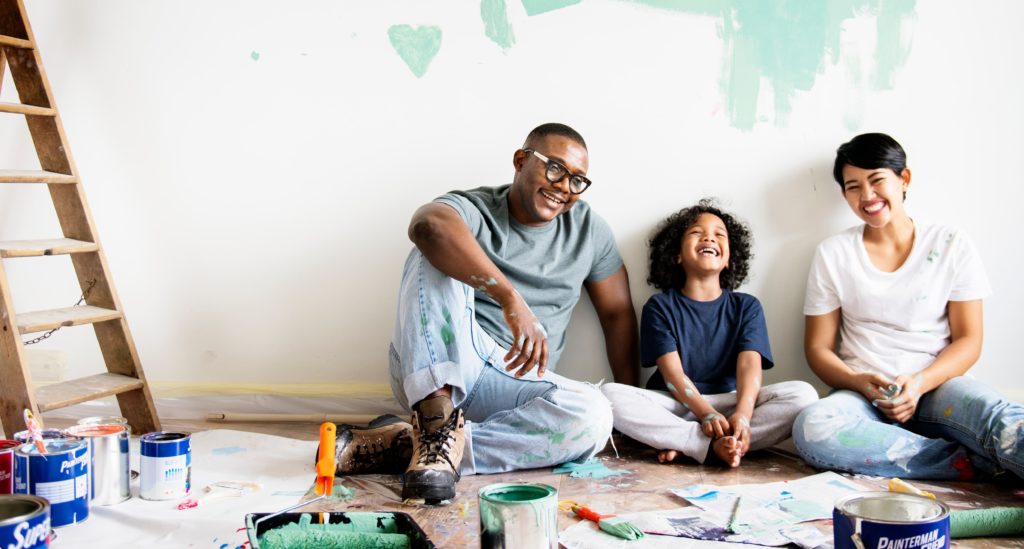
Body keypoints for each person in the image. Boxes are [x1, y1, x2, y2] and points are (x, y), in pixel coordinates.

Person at [332, 123, 640, 503]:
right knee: (430, 253)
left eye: (577, 180)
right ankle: (434, 419)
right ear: (521, 160)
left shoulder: (589, 230)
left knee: (595, 416)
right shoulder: (477, 207)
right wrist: (510, 298)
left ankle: (419, 446)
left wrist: (632, 405)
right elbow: (427, 225)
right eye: (555, 169)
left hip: (517, 385)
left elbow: (618, 314)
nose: (564, 186)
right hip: (447, 361)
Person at [793, 132, 1024, 480]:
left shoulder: (950, 243)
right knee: (813, 427)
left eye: (876, 180)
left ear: (904, 179)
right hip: (864, 398)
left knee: (1003, 420)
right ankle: (973, 464)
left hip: (938, 387)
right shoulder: (833, 253)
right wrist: (857, 381)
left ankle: (980, 451)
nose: (867, 196)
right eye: (853, 186)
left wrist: (918, 383)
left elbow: (969, 340)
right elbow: (818, 349)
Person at [602, 200, 818, 467]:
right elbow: (672, 375)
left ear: (729, 259)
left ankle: (700, 444)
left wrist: (743, 414)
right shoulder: (660, 306)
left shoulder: (746, 306)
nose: (709, 237)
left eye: (719, 234)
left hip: (729, 404)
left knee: (803, 395)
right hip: (676, 405)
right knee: (610, 396)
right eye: (696, 232)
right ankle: (704, 443)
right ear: (676, 255)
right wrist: (705, 414)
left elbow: (750, 366)